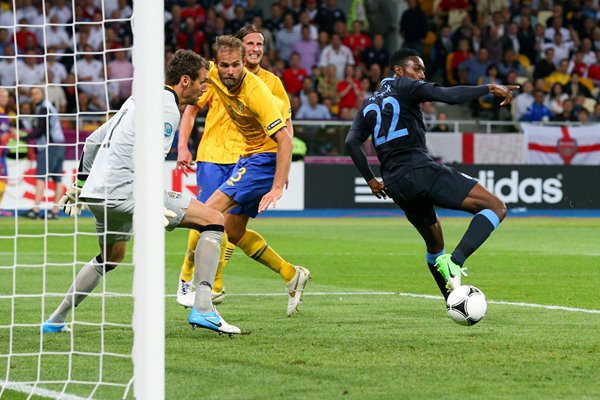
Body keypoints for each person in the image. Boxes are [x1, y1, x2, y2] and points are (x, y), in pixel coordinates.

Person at [41, 49, 241, 336]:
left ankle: (56, 320)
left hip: (97, 196)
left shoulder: (137, 99)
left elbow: (93, 141)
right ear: (184, 81)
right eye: (202, 81)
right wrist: (149, 204)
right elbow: (147, 159)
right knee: (214, 220)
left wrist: (80, 185)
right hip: (128, 193)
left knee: (110, 258)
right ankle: (204, 308)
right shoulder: (169, 110)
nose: (205, 88)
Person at [345, 48, 516, 300]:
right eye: (417, 68)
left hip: (395, 184)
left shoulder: (369, 102)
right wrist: (488, 88)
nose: (422, 74)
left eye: (423, 69)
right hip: (420, 169)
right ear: (399, 71)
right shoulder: (405, 86)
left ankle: (452, 300)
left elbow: (351, 141)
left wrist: (371, 179)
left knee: (434, 245)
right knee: (496, 206)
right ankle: (456, 261)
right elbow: (446, 94)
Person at [176, 32, 310, 316]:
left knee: (207, 214)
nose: (230, 70)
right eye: (225, 65)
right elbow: (188, 96)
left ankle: (198, 287)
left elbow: (285, 135)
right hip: (238, 158)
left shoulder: (262, 88)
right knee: (232, 229)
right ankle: (291, 274)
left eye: (235, 64)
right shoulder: (212, 73)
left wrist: (277, 184)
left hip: (263, 160)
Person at [23, 86, 65, 219]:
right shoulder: (49, 106)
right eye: (32, 94)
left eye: (37, 93)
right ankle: (55, 211)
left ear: (42, 94)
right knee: (57, 177)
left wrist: (24, 138)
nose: (34, 96)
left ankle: (35, 209)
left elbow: (41, 129)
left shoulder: (43, 108)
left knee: (41, 176)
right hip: (60, 143)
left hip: (50, 145)